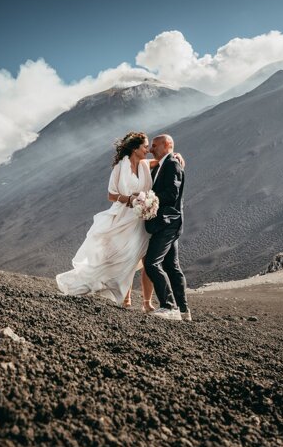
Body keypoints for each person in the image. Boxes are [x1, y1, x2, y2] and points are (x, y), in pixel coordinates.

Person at [55, 132, 154, 307]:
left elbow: (164, 160)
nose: (148, 149)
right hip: (121, 218)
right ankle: (123, 296)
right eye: (145, 146)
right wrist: (130, 199)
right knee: (120, 256)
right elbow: (111, 195)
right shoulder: (118, 168)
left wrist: (177, 155)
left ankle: (138, 300)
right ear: (134, 148)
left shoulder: (145, 165)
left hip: (138, 221)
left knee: (133, 256)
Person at [143, 134, 190, 321]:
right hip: (165, 222)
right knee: (172, 266)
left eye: (154, 146)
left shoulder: (172, 164)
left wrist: (148, 200)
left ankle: (169, 306)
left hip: (168, 222)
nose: (151, 149)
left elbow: (172, 193)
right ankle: (184, 310)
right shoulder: (163, 164)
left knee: (152, 263)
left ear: (166, 145)